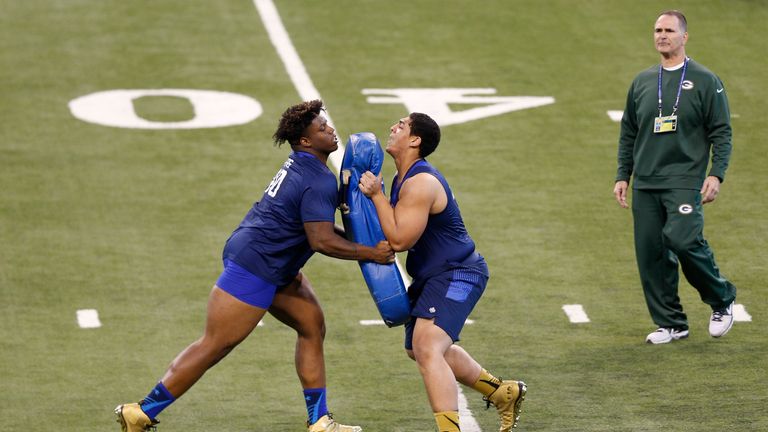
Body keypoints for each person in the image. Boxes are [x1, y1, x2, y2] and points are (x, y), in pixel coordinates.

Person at [114, 100, 395, 432]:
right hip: (257, 264)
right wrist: (370, 253)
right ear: (305, 141)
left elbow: (313, 228)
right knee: (215, 344)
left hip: (272, 262)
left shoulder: (306, 167)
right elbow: (320, 240)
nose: (331, 130)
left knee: (312, 326)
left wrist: (364, 246)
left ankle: (319, 420)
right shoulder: (316, 179)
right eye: (322, 128)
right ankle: (142, 411)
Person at [358, 113, 526, 432]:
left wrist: (377, 196)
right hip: (433, 275)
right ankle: (503, 392)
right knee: (418, 348)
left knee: (427, 346)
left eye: (401, 126)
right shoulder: (403, 178)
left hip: (459, 273)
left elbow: (400, 240)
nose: (393, 128)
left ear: (415, 140)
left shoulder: (421, 182)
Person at [613, 10, 737, 344]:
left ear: (684, 37)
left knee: (683, 240)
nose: (662, 35)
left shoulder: (706, 80)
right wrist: (623, 175)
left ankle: (722, 298)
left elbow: (722, 132)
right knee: (651, 253)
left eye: (669, 30)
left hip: (684, 180)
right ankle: (671, 323)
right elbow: (628, 133)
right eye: (657, 30)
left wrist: (717, 174)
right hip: (647, 182)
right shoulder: (641, 81)